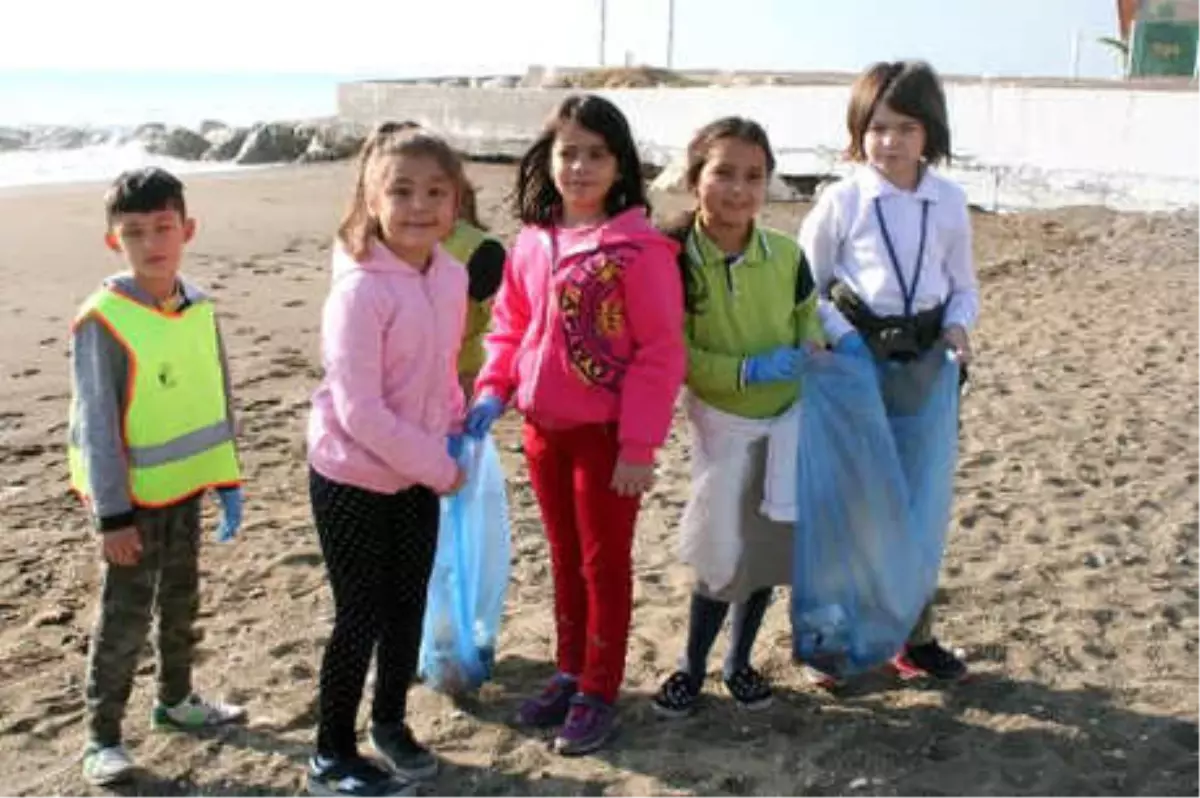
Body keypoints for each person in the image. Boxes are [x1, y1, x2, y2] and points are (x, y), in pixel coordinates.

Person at [463, 94, 687, 755]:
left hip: (607, 438)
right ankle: (569, 669)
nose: (581, 167)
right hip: (541, 431)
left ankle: (598, 689)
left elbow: (660, 352)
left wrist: (639, 445)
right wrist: (491, 391)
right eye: (569, 153)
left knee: (603, 562)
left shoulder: (640, 251)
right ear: (548, 161)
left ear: (620, 166)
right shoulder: (535, 242)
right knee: (563, 557)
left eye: (597, 154)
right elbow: (509, 326)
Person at [798, 60, 979, 686]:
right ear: (859, 130)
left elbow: (963, 287)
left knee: (918, 501)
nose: (891, 141)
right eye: (877, 128)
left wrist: (958, 326)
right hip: (853, 366)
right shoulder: (842, 198)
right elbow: (806, 287)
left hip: (926, 367)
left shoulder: (950, 202)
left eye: (906, 127)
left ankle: (914, 636)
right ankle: (835, 637)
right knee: (851, 500)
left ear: (930, 131)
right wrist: (843, 341)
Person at [68, 167, 246, 786]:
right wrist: (111, 517)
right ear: (114, 241)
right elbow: (97, 426)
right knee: (124, 616)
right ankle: (102, 737)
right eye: (135, 231)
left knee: (181, 600)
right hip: (132, 502)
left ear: (187, 229)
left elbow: (213, 390)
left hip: (186, 486)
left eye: (163, 227)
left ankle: (175, 701)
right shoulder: (105, 319)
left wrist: (227, 477)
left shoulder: (198, 306)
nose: (152, 243)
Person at [305, 123, 469, 797]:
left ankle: (391, 723)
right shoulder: (360, 290)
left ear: (456, 203)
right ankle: (330, 754)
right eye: (400, 191)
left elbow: (441, 368)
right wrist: (439, 467)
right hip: (352, 473)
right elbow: (359, 410)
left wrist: (458, 420)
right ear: (370, 199)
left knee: (407, 607)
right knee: (360, 614)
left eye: (436, 191)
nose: (419, 205)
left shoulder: (451, 275)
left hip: (419, 472)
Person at [649, 117, 825, 718]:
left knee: (769, 550)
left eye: (754, 176)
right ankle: (691, 666)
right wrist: (746, 371)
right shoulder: (672, 258)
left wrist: (819, 346)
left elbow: (808, 317)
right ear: (695, 177)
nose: (739, 189)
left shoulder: (787, 254)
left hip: (788, 421)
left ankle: (739, 662)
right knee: (722, 551)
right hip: (721, 426)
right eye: (723, 172)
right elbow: (675, 352)